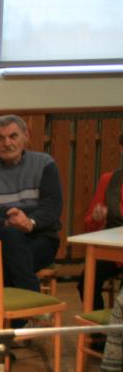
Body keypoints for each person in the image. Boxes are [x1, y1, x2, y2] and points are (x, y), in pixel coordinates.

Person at [0, 115, 62, 293]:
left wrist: (30, 222)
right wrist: (7, 223)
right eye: (0, 138)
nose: (7, 143)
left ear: (26, 136)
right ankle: (32, 304)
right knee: (9, 238)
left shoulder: (45, 164)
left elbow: (52, 207)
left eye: (13, 136)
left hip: (40, 237)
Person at [77, 132, 123, 311]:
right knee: (86, 282)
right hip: (113, 251)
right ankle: (98, 326)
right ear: (121, 149)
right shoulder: (109, 180)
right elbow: (89, 225)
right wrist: (97, 219)